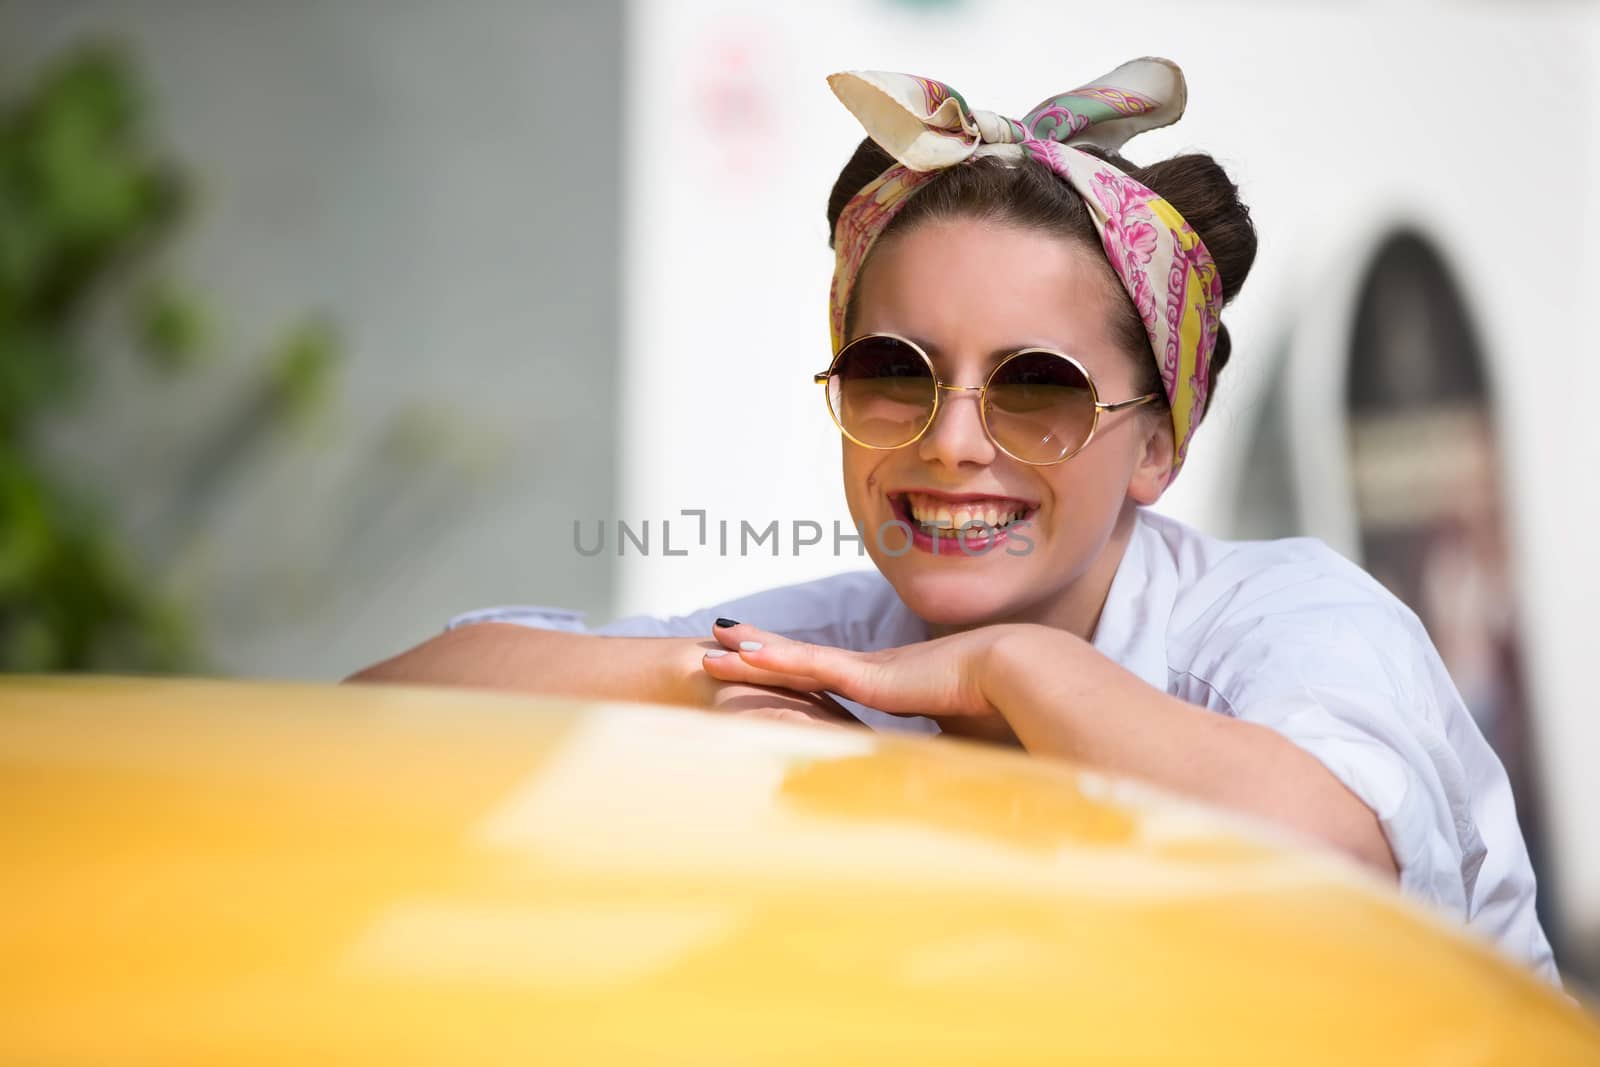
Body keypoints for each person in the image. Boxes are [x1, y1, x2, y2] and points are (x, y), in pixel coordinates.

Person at [349, 58, 1558, 983]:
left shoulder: (1291, 618)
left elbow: (1332, 866)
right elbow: (378, 716)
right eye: (892, 371)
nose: (952, 440)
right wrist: (706, 678)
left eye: (1036, 386)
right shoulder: (834, 642)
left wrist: (1010, 667)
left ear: (1157, 445)